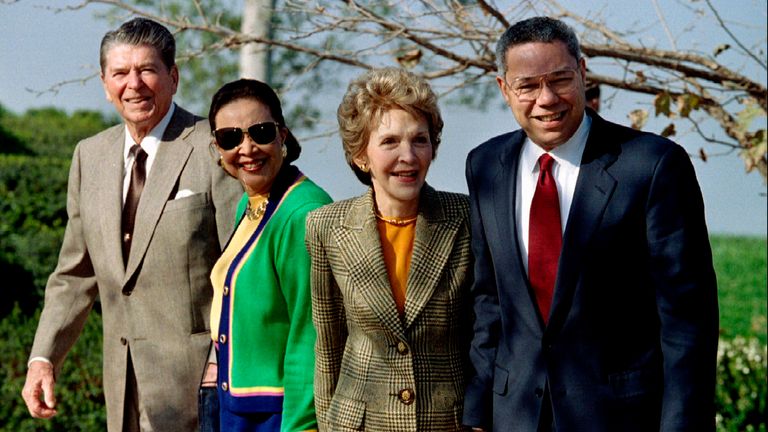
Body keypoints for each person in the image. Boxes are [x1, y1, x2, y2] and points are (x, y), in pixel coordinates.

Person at [462, 16, 719, 432]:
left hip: (621, 416)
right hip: (515, 417)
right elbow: (489, 300)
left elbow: (687, 322)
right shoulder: (485, 165)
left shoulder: (652, 165)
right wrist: (477, 408)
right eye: (528, 86)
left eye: (560, 79)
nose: (546, 99)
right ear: (504, 89)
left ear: (583, 73)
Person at [21, 18, 242, 432]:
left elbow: (243, 266)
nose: (134, 84)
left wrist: (226, 362)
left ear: (173, 77)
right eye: (120, 73)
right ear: (105, 85)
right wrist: (43, 358)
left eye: (147, 70)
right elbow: (74, 274)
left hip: (204, 390)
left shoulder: (212, 145)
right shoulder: (89, 155)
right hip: (122, 391)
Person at [306, 67, 473, 431]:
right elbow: (328, 346)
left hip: (447, 422)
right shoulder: (326, 228)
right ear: (360, 155)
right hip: (358, 423)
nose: (408, 156)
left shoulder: (467, 218)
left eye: (420, 140)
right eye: (389, 142)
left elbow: (484, 334)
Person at [207, 78, 332, 431]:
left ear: (283, 135)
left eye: (260, 132)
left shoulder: (301, 212)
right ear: (217, 147)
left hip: (280, 415)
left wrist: (301, 425)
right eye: (230, 138)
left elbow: (312, 336)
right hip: (240, 409)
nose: (247, 148)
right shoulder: (250, 204)